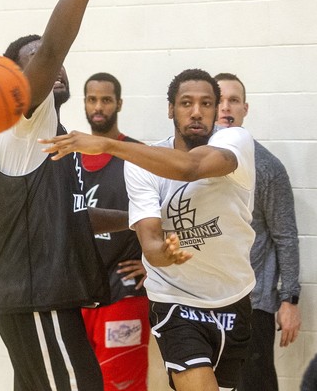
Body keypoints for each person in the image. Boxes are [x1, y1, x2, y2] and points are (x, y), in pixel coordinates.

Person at [0, 0, 134, 391]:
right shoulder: (19, 120)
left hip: (42, 298)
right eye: (33, 65)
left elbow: (72, 217)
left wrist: (143, 226)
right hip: (37, 299)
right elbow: (52, 48)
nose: (56, 70)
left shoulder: (47, 140)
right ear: (18, 82)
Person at [39, 68, 257, 391]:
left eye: (206, 104)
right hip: (175, 301)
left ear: (215, 109)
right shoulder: (142, 167)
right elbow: (151, 243)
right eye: (186, 103)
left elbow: (190, 168)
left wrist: (107, 146)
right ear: (171, 109)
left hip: (233, 297)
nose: (196, 112)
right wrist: (163, 255)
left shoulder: (236, 141)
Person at [214, 72, 301, 391]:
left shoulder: (267, 167)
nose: (226, 108)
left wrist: (290, 299)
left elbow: (286, 237)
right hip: (205, 301)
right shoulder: (189, 162)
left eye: (233, 100)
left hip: (254, 304)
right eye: (219, 100)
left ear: (245, 109)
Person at [81, 72, 150, 391]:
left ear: (119, 104)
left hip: (123, 294)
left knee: (122, 385)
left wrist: (152, 267)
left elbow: (164, 216)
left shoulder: (137, 155)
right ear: (84, 103)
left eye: (106, 100)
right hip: (77, 295)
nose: (98, 106)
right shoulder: (69, 158)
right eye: (92, 99)